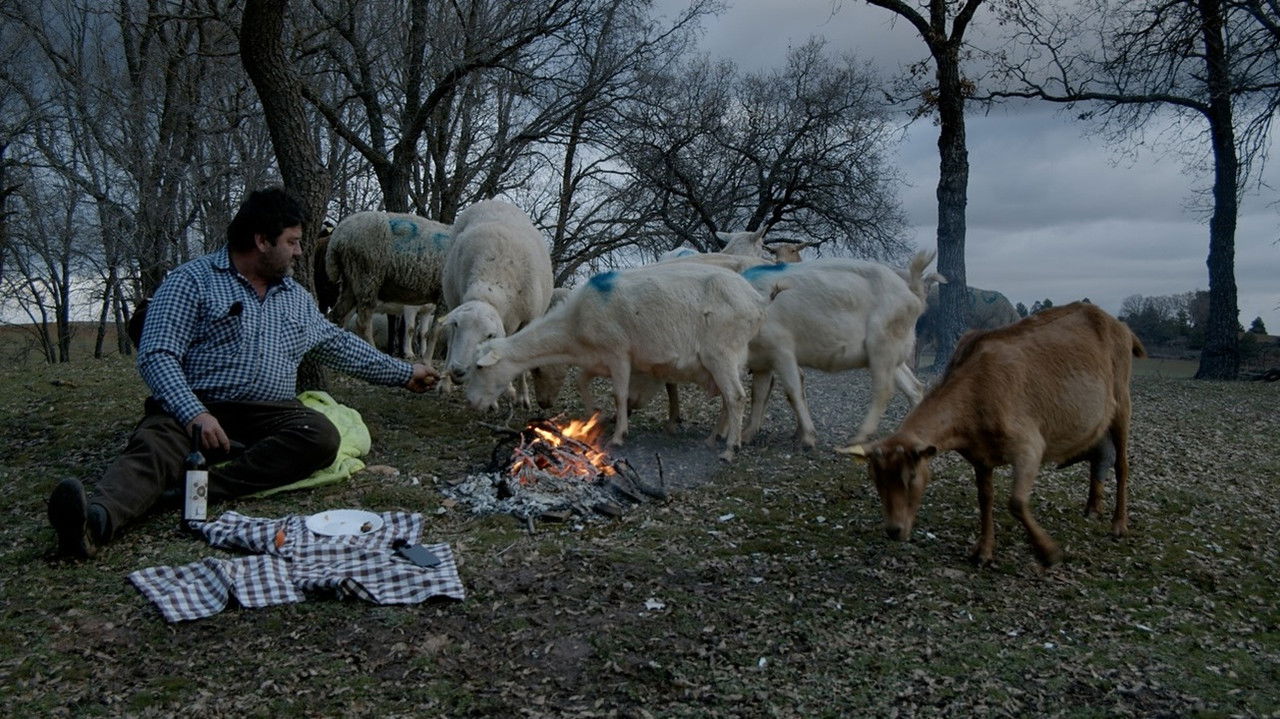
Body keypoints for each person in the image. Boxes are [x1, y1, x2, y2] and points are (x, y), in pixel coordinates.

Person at [47, 187, 439, 559]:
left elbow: (340, 346)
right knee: (152, 449)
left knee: (319, 436)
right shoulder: (191, 281)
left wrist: (403, 373)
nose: (300, 252)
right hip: (195, 408)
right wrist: (194, 413)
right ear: (261, 241)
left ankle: (191, 490)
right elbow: (157, 355)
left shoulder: (296, 299)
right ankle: (92, 523)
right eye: (292, 241)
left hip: (270, 413)